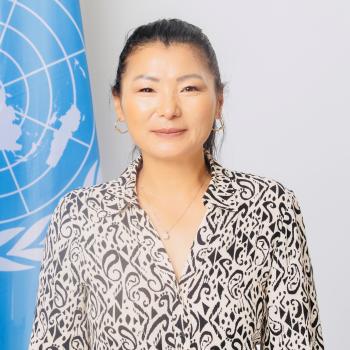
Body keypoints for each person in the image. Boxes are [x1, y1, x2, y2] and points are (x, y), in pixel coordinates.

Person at [29, 18, 324, 350]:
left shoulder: (270, 209)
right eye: (147, 89)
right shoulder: (79, 217)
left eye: (189, 88)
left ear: (219, 101)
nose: (168, 109)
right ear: (118, 104)